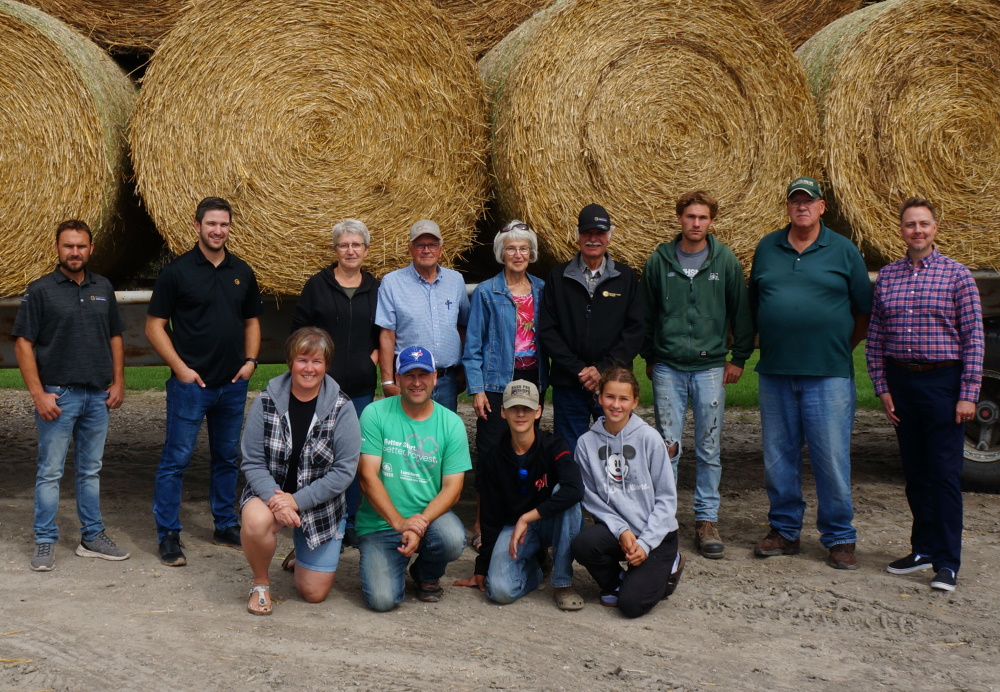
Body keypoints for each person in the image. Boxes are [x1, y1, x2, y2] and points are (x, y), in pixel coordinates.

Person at [749, 177, 872, 570]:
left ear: (822, 207)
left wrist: (836, 348)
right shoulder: (768, 247)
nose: (802, 206)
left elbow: (863, 311)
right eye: (795, 201)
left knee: (831, 459)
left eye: (809, 200)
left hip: (829, 374)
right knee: (778, 459)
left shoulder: (843, 250)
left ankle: (839, 537)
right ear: (787, 207)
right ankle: (784, 531)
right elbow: (755, 304)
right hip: (776, 373)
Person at [866, 197, 984, 592]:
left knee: (945, 475)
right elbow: (876, 337)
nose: (917, 230)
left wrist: (968, 394)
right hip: (902, 383)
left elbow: (974, 339)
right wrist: (882, 386)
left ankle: (948, 562)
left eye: (924, 224)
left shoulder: (957, 276)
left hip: (943, 384)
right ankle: (923, 549)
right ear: (901, 230)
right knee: (915, 473)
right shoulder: (888, 277)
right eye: (910, 224)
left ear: (935, 228)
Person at [145, 197, 263, 567]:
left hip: (232, 384)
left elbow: (252, 322)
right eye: (211, 224)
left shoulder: (241, 270)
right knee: (176, 460)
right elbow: (153, 326)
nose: (218, 231)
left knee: (227, 458)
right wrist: (180, 368)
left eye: (224, 224)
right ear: (196, 226)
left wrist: (250, 362)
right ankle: (168, 534)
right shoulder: (176, 272)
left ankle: (225, 523)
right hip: (190, 386)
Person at [641, 191, 753, 560]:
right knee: (667, 447)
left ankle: (706, 520)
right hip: (669, 368)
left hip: (709, 368)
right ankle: (666, 520)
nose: (696, 223)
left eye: (702, 217)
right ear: (679, 219)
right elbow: (645, 313)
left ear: (711, 221)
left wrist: (737, 357)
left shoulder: (725, 261)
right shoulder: (659, 261)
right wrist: (650, 355)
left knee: (708, 447)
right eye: (690, 216)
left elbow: (741, 312)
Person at [13, 219, 129, 571]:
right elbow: (23, 343)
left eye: (81, 246)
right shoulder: (41, 290)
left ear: (91, 249)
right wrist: (38, 394)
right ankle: (45, 541)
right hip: (57, 397)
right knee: (50, 471)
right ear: (57, 249)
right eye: (68, 246)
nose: (75, 252)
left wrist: (119, 382)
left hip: (97, 396)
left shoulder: (103, 287)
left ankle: (92, 537)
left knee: (90, 471)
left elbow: (115, 337)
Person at [239, 328, 361, 614]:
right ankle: (260, 584)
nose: (309, 368)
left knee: (313, 593)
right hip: (272, 496)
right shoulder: (266, 400)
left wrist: (296, 501)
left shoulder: (342, 407)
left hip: (319, 505)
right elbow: (252, 461)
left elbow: (344, 472)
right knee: (256, 522)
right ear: (290, 362)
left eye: (317, 361)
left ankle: (302, 553)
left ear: (326, 365)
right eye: (302, 359)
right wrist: (277, 500)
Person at [355, 346, 471, 611]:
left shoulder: (451, 423)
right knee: (382, 601)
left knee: (452, 537)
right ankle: (392, 560)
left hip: (427, 520)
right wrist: (400, 522)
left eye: (423, 374)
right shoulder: (375, 414)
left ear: (435, 377)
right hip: (381, 523)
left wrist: (418, 524)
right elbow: (366, 476)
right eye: (409, 375)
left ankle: (426, 575)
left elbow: (453, 489)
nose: (416, 382)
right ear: (398, 378)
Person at [454, 380, 584, 610]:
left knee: (564, 496)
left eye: (527, 408)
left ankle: (563, 582)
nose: (521, 414)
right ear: (503, 412)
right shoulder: (494, 456)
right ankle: (536, 565)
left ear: (539, 411)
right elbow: (490, 516)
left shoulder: (554, 445)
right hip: (514, 529)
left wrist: (529, 517)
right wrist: (481, 569)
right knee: (500, 591)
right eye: (514, 408)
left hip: (549, 523)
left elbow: (575, 489)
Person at [291, 218, 381, 547]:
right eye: (344, 245)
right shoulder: (317, 286)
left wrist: (367, 360)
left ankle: (352, 521)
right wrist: (315, 367)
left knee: (353, 456)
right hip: (321, 388)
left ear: (366, 250)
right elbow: (300, 332)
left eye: (356, 245)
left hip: (359, 389)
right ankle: (322, 517)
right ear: (335, 250)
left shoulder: (375, 287)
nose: (350, 250)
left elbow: (382, 333)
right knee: (318, 455)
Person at [462, 220, 547, 551]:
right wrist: (477, 388)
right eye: (511, 248)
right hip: (498, 381)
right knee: (491, 453)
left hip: (532, 380)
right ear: (501, 253)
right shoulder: (486, 291)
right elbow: (473, 347)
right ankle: (483, 523)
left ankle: (519, 519)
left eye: (524, 248)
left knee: (526, 452)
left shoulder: (541, 290)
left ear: (531, 253)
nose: (518, 253)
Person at [571, 366, 684, 618]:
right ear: (599, 397)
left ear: (634, 402)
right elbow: (590, 497)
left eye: (623, 399)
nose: (616, 405)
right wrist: (621, 530)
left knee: (631, 606)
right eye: (610, 397)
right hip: (618, 531)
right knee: (583, 544)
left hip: (656, 534)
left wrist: (645, 543)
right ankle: (616, 582)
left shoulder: (650, 439)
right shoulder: (586, 444)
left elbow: (666, 499)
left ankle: (671, 564)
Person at [538, 204, 644, 454]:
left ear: (609, 236)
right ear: (578, 236)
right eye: (587, 233)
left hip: (613, 385)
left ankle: (612, 495)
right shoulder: (558, 276)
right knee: (569, 451)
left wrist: (602, 370)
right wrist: (578, 370)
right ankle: (574, 494)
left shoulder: (626, 277)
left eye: (599, 233)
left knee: (614, 450)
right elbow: (548, 331)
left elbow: (635, 330)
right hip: (569, 384)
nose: (593, 239)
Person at [376, 220, 470, 412]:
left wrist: (462, 370)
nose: (426, 250)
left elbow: (463, 327)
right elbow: (387, 335)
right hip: (410, 379)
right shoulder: (392, 283)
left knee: (443, 437)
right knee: (408, 438)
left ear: (441, 249)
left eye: (432, 245)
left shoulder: (456, 280)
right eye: (420, 245)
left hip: (446, 380)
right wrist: (387, 381)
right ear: (410, 249)